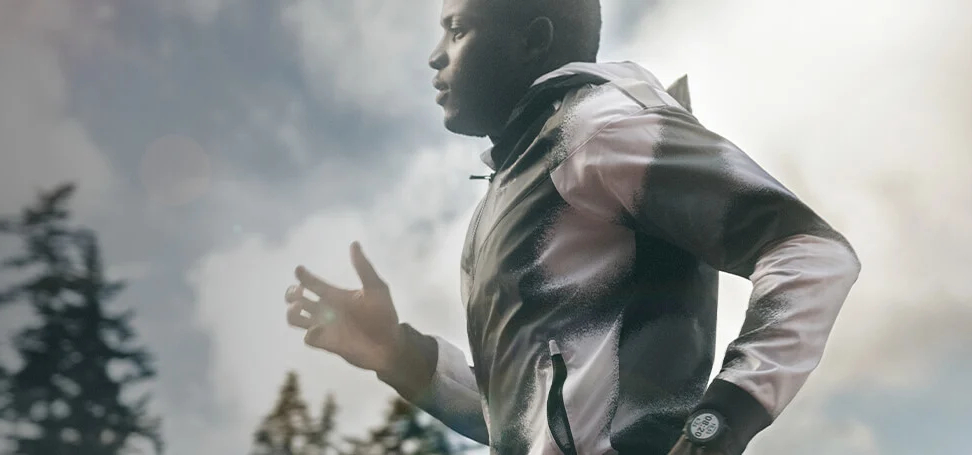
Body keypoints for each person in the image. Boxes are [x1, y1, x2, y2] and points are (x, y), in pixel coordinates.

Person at [283, 0, 861, 453]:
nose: (435, 57)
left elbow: (810, 252)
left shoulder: (595, 128)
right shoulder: (513, 183)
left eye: (457, 30)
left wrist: (718, 425)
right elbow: (527, 421)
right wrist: (395, 352)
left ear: (532, 40)